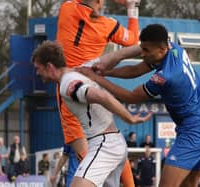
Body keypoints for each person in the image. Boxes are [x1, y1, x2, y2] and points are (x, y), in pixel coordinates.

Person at [77, 24, 200, 187]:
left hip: (195, 131)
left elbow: (130, 97)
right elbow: (135, 70)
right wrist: (106, 72)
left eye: (146, 50)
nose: (142, 54)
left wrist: (96, 79)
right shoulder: (174, 49)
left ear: (161, 49)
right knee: (188, 185)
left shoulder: (165, 76)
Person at [32, 41, 151, 187]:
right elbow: (120, 54)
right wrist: (150, 45)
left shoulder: (67, 85)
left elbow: (102, 96)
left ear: (49, 67)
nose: (37, 73)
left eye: (38, 68)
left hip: (104, 144)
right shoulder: (85, 68)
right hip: (114, 141)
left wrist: (129, 118)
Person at [56, 0, 141, 185]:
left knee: (87, 160)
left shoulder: (66, 9)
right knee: (110, 145)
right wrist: (131, 7)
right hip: (92, 88)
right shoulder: (109, 26)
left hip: (69, 90)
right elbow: (133, 39)